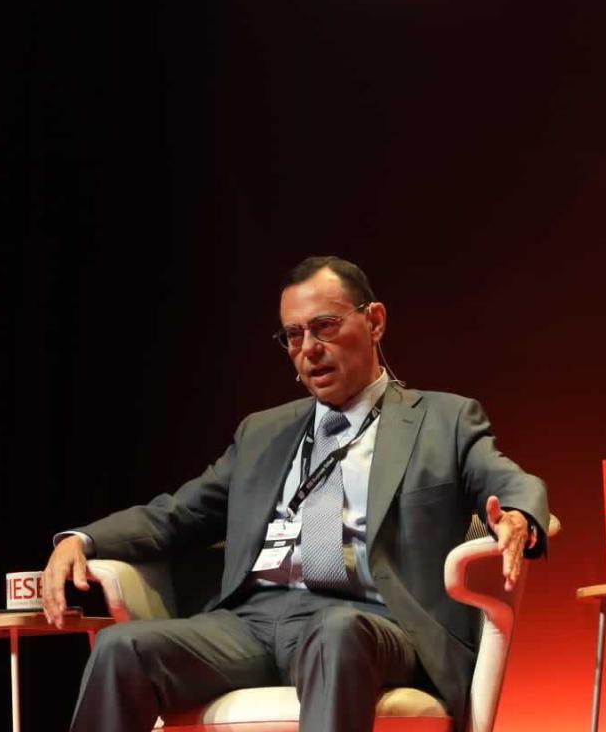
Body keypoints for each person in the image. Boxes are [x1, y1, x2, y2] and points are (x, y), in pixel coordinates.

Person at [41, 255, 550, 732]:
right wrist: (80, 541)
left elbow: (508, 479)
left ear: (374, 322)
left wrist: (518, 514)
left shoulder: (444, 419)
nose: (309, 348)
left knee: (336, 632)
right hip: (251, 623)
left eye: (325, 327)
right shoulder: (263, 432)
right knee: (120, 647)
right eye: (293, 335)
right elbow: (177, 514)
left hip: (371, 622)